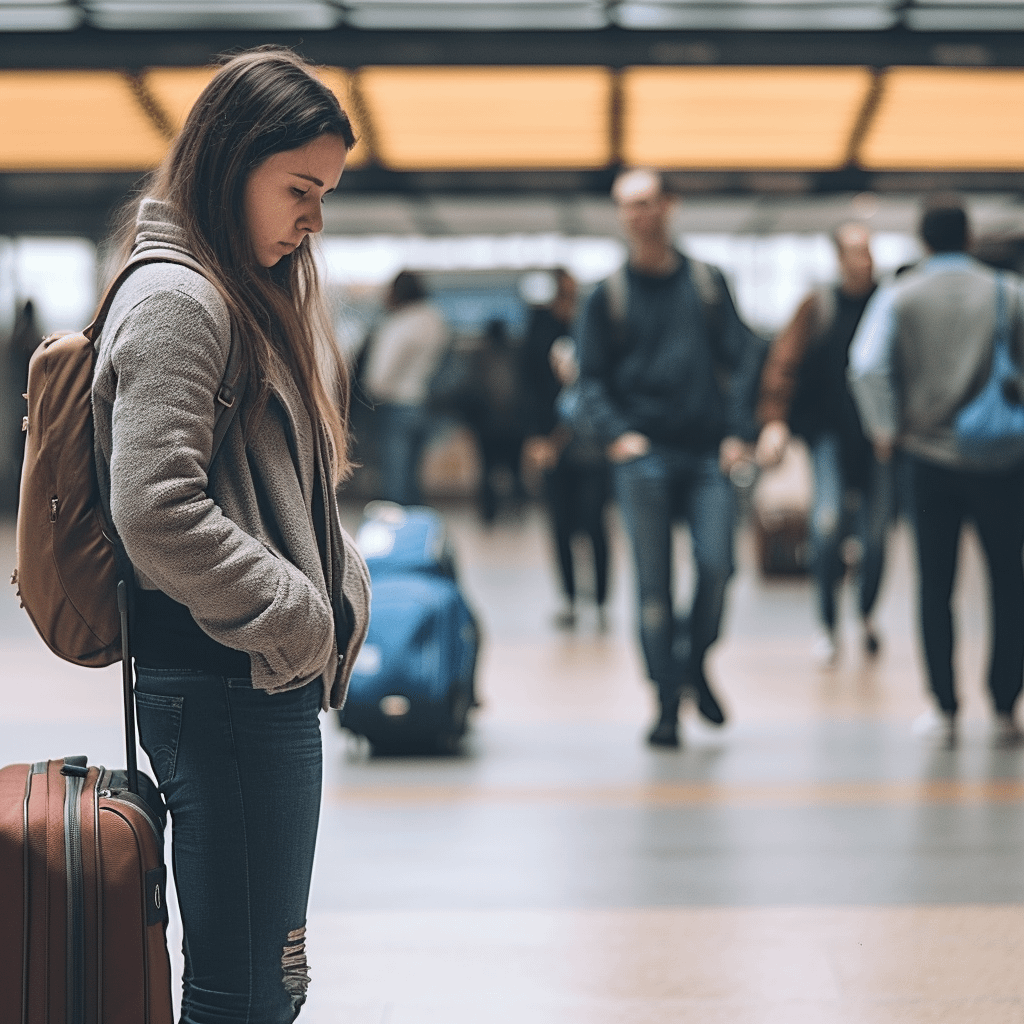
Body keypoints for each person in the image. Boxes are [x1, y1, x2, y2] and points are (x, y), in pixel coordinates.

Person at [91, 48, 371, 1023]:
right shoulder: (179, 300)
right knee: (249, 987)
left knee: (258, 977)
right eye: (300, 188)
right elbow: (154, 505)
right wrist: (297, 612)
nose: (313, 219)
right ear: (231, 161)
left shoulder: (225, 287)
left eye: (324, 193)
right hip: (228, 686)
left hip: (242, 682)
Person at [574, 168, 760, 748]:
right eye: (628, 205)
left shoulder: (707, 283)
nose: (639, 214)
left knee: (716, 566)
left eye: (649, 202)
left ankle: (694, 663)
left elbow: (745, 355)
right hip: (644, 457)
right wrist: (618, 435)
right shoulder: (607, 295)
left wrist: (738, 431)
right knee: (653, 590)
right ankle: (665, 702)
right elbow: (588, 380)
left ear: (670, 207)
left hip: (707, 454)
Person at [849, 197, 1024, 747]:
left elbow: (867, 365)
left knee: (935, 583)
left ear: (923, 241)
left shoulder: (900, 295)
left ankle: (945, 708)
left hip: (927, 459)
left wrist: (885, 428)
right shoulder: (1007, 293)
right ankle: (1003, 706)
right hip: (1002, 458)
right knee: (1008, 582)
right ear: (968, 237)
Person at [755, 223, 893, 666]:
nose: (864, 259)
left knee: (874, 537)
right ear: (838, 258)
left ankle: (866, 613)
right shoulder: (819, 306)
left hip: (880, 438)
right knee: (827, 524)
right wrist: (774, 420)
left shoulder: (889, 303)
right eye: (855, 251)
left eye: (868, 250)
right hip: (829, 435)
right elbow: (784, 362)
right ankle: (827, 624)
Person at [521, 269, 610, 628]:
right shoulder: (538, 333)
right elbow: (528, 388)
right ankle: (570, 598)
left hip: (590, 444)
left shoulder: (594, 329)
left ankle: (601, 599)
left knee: (594, 522)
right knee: (559, 523)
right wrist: (535, 437)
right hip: (551, 445)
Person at [361, 270, 449, 505]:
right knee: (412, 480)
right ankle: (415, 534)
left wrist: (371, 391)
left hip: (395, 405)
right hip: (423, 404)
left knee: (394, 480)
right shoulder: (435, 321)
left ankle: (396, 534)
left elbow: (379, 375)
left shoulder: (398, 324)